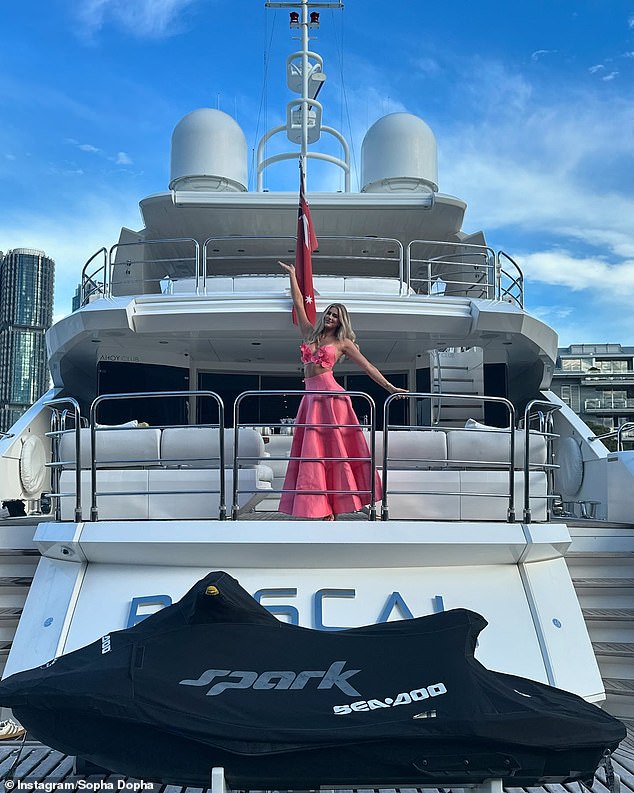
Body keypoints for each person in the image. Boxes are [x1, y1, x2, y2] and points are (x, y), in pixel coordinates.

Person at [278, 261, 407, 520]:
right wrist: (293, 275)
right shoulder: (309, 334)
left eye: (335, 315)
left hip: (331, 397)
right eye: (328, 313)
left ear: (341, 321)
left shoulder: (343, 343)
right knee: (312, 452)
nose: (329, 317)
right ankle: (320, 506)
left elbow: (368, 366)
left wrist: (389, 386)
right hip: (311, 398)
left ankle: (337, 505)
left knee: (335, 451)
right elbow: (299, 303)